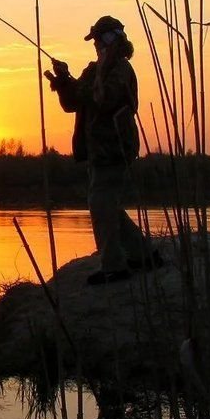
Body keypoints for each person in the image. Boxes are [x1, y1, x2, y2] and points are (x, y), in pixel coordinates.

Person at [46, 15, 158, 285]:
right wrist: (63, 80)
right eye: (94, 40)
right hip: (97, 151)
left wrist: (93, 76)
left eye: (98, 39)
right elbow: (72, 103)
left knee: (101, 204)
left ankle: (114, 267)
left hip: (116, 150)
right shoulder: (93, 70)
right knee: (107, 205)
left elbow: (104, 100)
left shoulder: (121, 70)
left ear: (111, 39)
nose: (95, 44)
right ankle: (143, 255)